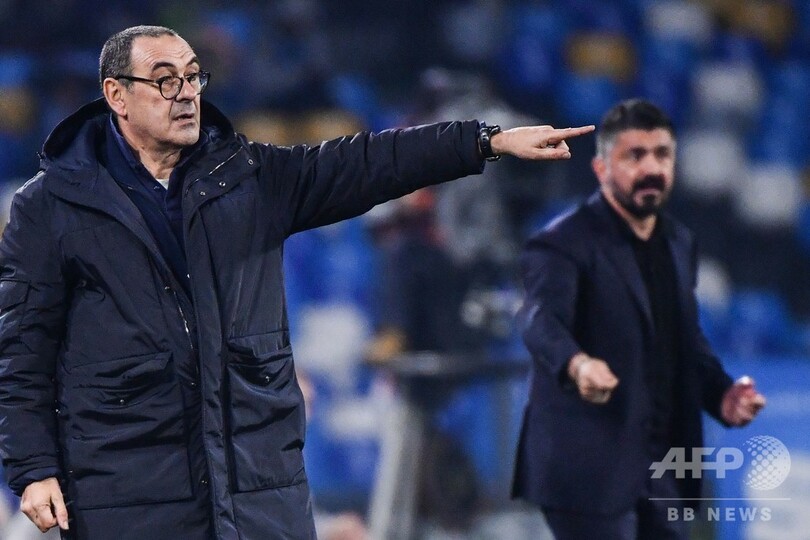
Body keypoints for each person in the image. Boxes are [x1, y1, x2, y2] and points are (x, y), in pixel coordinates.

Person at [0, 25, 593, 540]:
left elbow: (367, 163)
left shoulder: (251, 179)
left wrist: (482, 141)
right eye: (164, 80)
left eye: (193, 76)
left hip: (257, 493)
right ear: (116, 96)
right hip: (129, 495)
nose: (185, 93)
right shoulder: (50, 208)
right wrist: (34, 468)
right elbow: (23, 351)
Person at [511, 99, 766, 540]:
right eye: (635, 155)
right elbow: (538, 318)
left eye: (662, 155)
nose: (651, 168)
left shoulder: (679, 244)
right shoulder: (564, 242)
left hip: (663, 468)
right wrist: (577, 365)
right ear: (602, 168)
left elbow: (685, 341)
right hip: (588, 471)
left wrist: (721, 395)